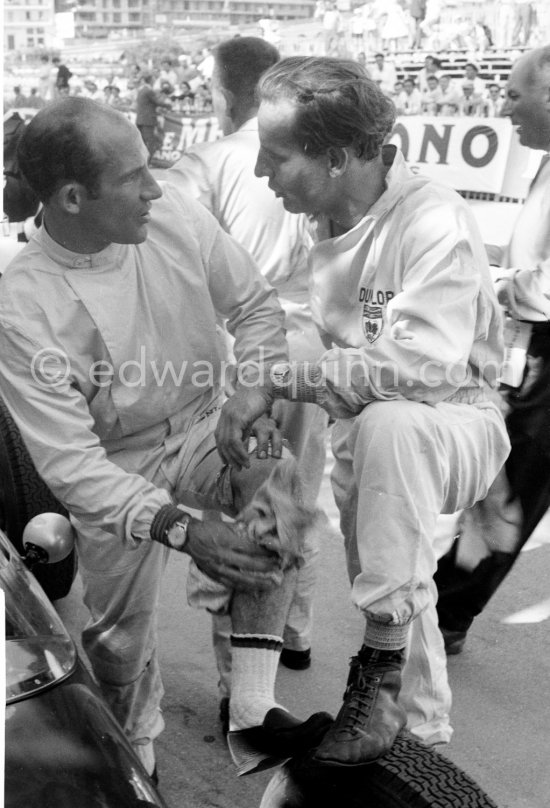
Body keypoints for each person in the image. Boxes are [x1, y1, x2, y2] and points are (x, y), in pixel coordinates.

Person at [0, 97, 334, 781]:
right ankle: (132, 749)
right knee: (118, 646)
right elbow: (71, 465)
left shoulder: (173, 210)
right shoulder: (22, 305)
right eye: (133, 176)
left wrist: (251, 394)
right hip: (111, 467)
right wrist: (185, 528)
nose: (156, 186)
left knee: (280, 482)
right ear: (70, 197)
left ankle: (250, 707)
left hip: (209, 421)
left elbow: (254, 307)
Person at [215, 56, 510, 766]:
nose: (260, 172)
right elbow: (308, 326)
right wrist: (253, 383)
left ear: (340, 157)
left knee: (393, 425)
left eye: (277, 155)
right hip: (373, 435)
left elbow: (423, 367)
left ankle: (376, 689)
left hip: (454, 419)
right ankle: (420, 733)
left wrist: (282, 380)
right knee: (398, 578)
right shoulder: (319, 218)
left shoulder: (432, 217)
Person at [167, 36, 330, 730]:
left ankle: (243, 684)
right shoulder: (319, 156)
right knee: (295, 490)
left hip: (243, 352)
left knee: (245, 501)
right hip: (309, 347)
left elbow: (165, 249)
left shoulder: (206, 164)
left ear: (222, 91)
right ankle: (293, 630)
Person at [435, 45, 550, 655]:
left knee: (508, 485)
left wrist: (495, 286)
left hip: (544, 352)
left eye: (513, 94)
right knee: (500, 479)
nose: (504, 107)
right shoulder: (545, 160)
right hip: (531, 348)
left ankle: (444, 614)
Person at [135, 73, 172, 162]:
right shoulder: (148, 91)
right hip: (148, 120)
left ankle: (141, 161)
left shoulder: (142, 90)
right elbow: (158, 102)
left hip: (140, 119)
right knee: (150, 141)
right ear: (151, 80)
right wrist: (169, 105)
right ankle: (147, 161)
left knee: (142, 142)